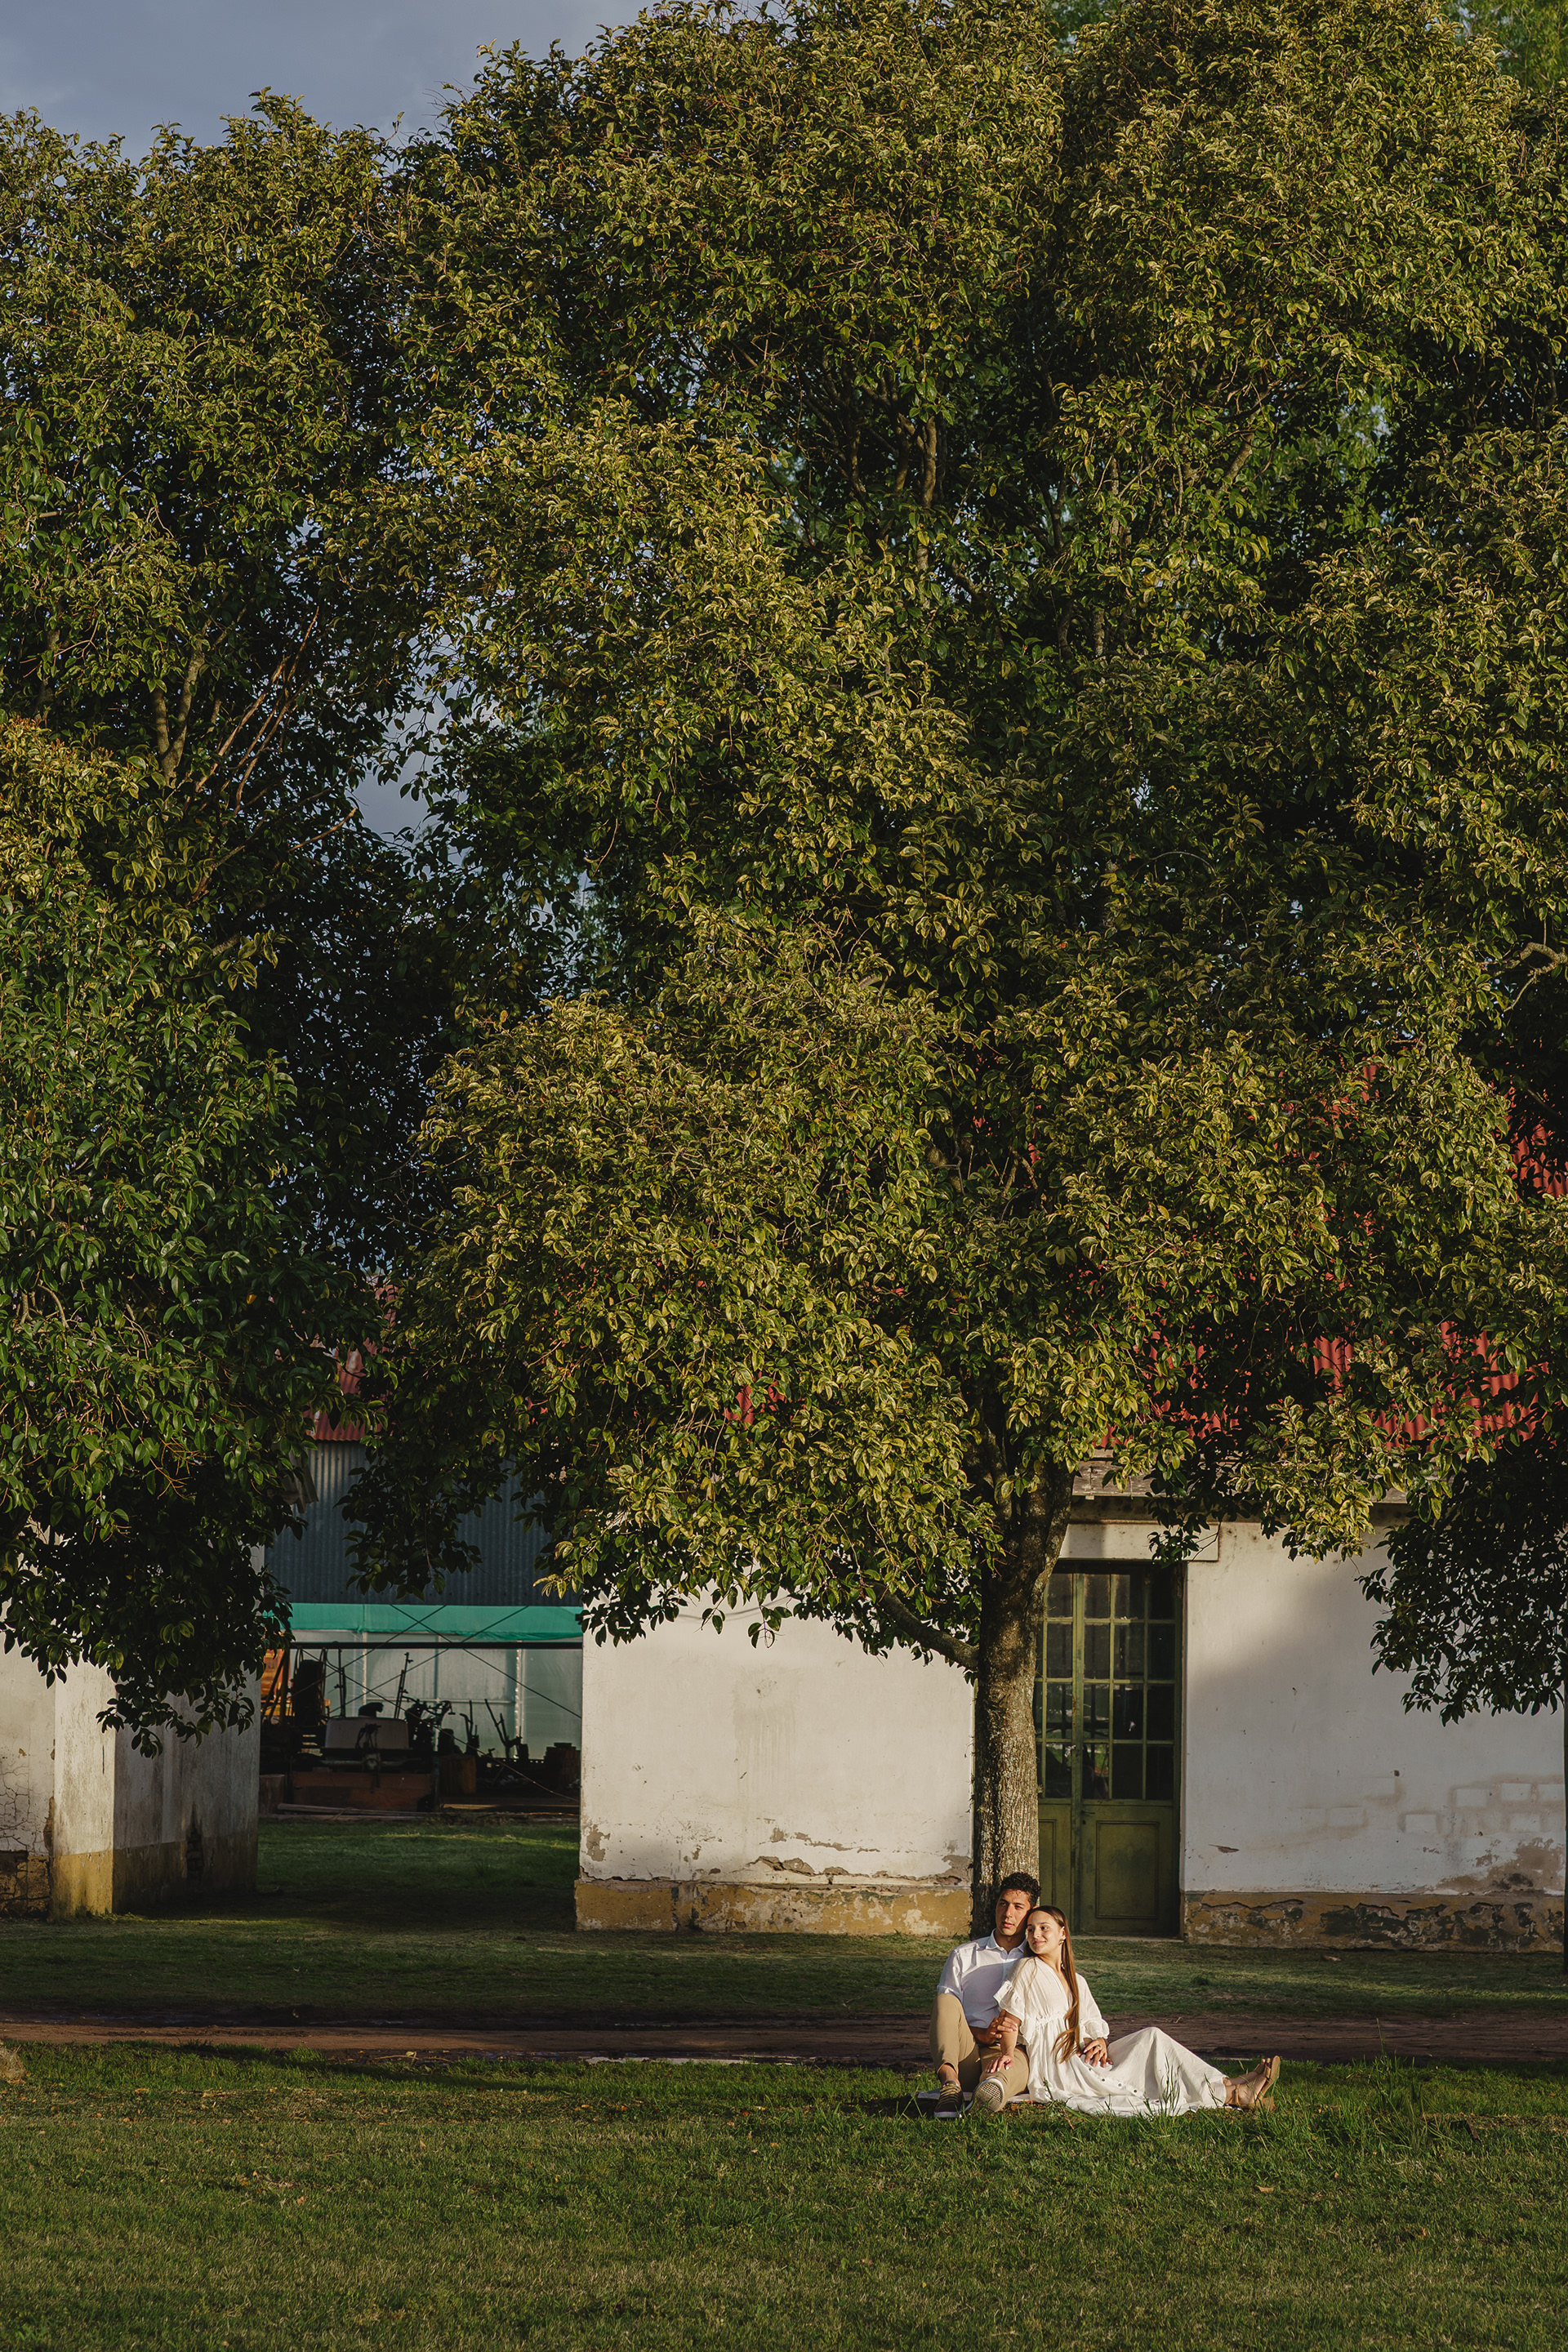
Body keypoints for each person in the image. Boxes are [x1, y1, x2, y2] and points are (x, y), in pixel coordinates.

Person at [990, 1905, 1280, 2117]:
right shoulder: (1027, 1968)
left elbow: (1091, 2022)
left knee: (1151, 2037)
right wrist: (1007, 2053)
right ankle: (1233, 2092)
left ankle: (1230, 2084)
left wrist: (1099, 2041)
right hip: (1060, 2065)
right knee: (1136, 2077)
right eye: (1031, 1929)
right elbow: (1010, 2020)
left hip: (1082, 2052)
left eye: (1044, 1928)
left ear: (1062, 1933)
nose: (1036, 1934)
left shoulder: (1076, 1980)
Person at [930, 1873, 1040, 2117]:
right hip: (967, 2052)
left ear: (1031, 1913)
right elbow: (946, 2019)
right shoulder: (964, 1956)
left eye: (1018, 1907)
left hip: (1012, 2052)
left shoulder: (1038, 1961)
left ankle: (989, 2094)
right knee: (944, 2000)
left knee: (1001, 2075)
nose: (1008, 1914)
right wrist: (983, 2034)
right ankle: (950, 2086)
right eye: (1003, 1904)